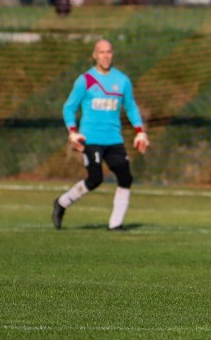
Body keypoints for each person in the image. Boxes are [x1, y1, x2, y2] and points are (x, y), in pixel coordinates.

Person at [52, 39, 150, 231]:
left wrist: (140, 131)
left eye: (109, 52)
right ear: (94, 55)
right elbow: (68, 107)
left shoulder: (122, 80)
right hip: (91, 139)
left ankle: (115, 224)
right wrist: (72, 131)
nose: (106, 56)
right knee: (95, 179)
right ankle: (62, 203)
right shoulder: (85, 80)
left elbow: (130, 107)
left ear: (112, 54)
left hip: (114, 139)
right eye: (101, 52)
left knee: (126, 178)